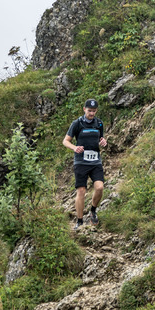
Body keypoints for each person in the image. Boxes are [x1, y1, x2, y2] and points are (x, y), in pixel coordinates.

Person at [63, 98, 107, 230]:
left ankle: (93, 210)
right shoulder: (77, 123)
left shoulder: (99, 123)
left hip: (95, 161)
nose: (91, 113)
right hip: (81, 162)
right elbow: (65, 141)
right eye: (89, 111)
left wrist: (103, 142)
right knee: (81, 191)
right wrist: (75, 148)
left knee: (99, 188)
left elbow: (101, 138)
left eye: (94, 111)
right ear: (84, 109)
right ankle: (80, 221)